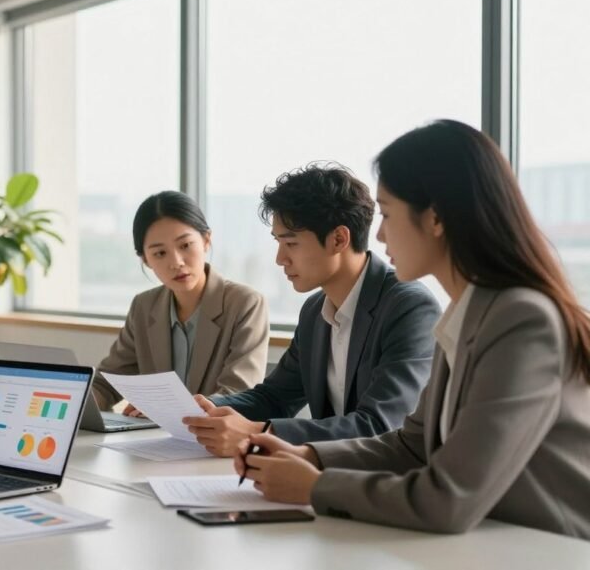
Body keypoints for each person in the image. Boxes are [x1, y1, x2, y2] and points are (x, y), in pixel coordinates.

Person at [236, 120, 590, 540]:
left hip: (549, 550)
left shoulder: (522, 320)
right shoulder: (466, 312)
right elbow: (410, 445)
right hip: (489, 544)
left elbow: (449, 499)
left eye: (386, 213)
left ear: (435, 218)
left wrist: (313, 486)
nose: (380, 233)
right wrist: (308, 455)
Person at [183, 164, 440, 455]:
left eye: (291, 243)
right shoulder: (315, 310)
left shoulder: (409, 308)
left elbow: (380, 426)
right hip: (331, 475)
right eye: (279, 243)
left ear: (339, 239)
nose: (280, 259)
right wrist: (207, 407)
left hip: (387, 484)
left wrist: (260, 432)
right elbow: (276, 397)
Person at [93, 191, 269, 414]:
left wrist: (164, 410)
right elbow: (107, 383)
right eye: (160, 253)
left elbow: (238, 394)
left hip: (215, 442)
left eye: (185, 245)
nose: (176, 262)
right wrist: (77, 403)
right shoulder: (144, 307)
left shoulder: (245, 303)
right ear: (145, 260)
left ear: (206, 240)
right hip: (151, 440)